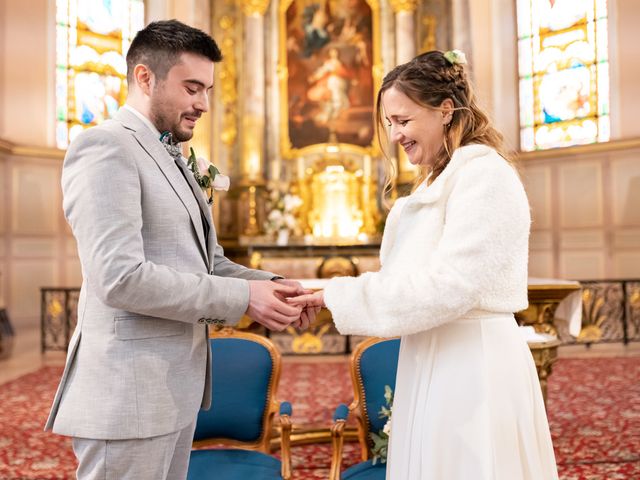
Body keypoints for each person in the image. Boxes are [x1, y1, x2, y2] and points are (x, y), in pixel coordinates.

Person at [45, 20, 314, 480]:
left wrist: (271, 286)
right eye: (192, 88)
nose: (203, 104)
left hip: (171, 389)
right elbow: (120, 278)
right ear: (145, 78)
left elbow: (205, 263)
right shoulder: (106, 147)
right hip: (127, 395)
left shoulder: (169, 153)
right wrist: (245, 301)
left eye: (207, 89)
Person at [289, 50, 559, 479]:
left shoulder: (484, 175)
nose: (395, 134)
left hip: (473, 362)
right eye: (389, 123)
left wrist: (332, 295)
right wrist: (324, 294)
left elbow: (449, 287)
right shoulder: (439, 179)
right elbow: (408, 281)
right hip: (429, 355)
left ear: (445, 111)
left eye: (405, 120)